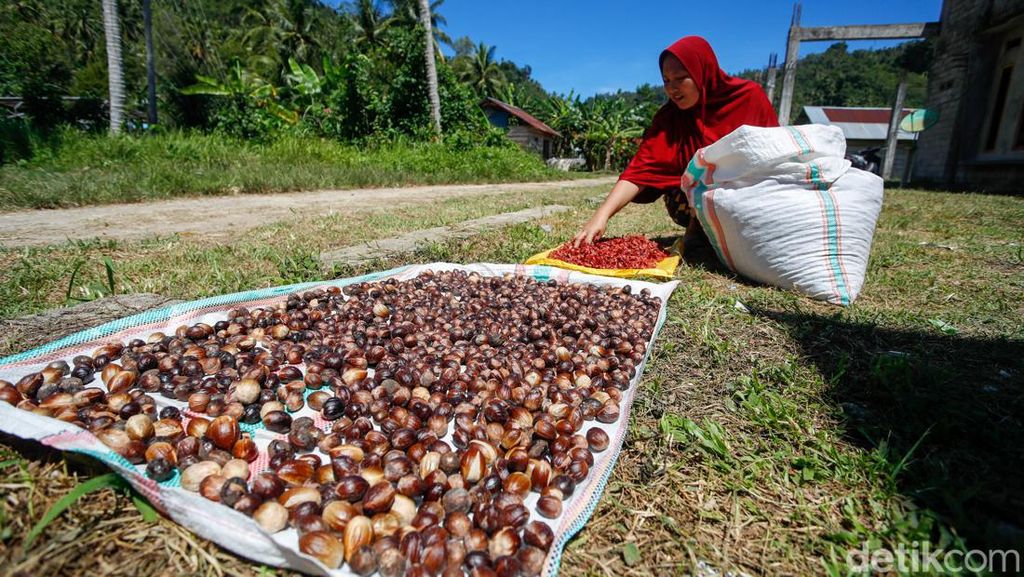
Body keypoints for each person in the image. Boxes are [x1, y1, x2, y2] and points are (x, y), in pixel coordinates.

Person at [573, 36, 779, 247]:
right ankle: (698, 228)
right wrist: (601, 216)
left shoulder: (748, 98)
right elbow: (640, 169)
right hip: (693, 204)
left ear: (702, 72)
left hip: (747, 194)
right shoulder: (670, 118)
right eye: (666, 80)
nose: (672, 88)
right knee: (681, 195)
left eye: (680, 78)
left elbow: (774, 157)